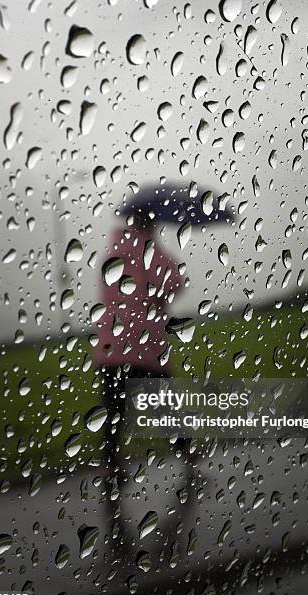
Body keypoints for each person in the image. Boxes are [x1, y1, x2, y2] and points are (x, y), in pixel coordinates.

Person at [96, 211, 184, 549]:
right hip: (145, 348)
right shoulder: (151, 250)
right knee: (166, 407)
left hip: (110, 349)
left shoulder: (112, 250)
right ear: (149, 223)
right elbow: (175, 282)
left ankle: (110, 469)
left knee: (113, 414)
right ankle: (187, 455)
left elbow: (110, 293)